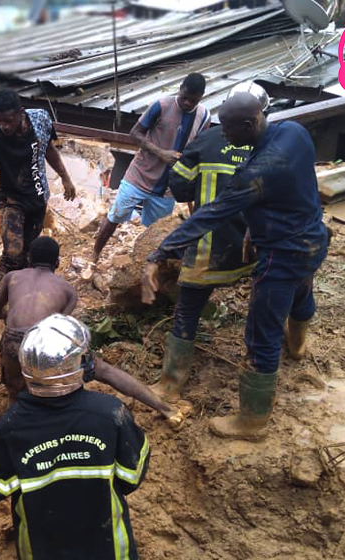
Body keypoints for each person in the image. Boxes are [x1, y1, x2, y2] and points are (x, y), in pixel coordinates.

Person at [143, 93, 329, 441]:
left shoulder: (256, 174)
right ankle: (299, 345)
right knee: (302, 291)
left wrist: (160, 253)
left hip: (280, 254)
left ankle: (252, 421)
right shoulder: (293, 131)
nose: (223, 133)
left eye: (228, 128)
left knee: (262, 334)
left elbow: (212, 213)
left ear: (249, 123)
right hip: (312, 239)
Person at [0, 314, 149, 559]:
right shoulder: (110, 414)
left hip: (43, 550)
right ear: (77, 365)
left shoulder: (11, 426)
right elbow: (132, 476)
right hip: (107, 548)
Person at [148, 83, 269, 402]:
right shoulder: (273, 146)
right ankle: (290, 350)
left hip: (208, 246)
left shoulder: (207, 141)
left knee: (187, 311)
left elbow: (181, 188)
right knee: (271, 309)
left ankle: (170, 385)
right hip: (257, 246)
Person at [0, 236, 182, 427]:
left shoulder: (12, 277)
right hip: (44, 342)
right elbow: (57, 328)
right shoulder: (67, 290)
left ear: (29, 258)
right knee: (104, 371)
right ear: (57, 262)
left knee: (15, 393)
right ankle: (167, 410)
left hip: (12, 342)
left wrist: (8, 316)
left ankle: (11, 432)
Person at [0, 89, 76, 283]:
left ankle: (23, 288)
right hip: (12, 200)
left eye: (8, 120)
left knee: (28, 253)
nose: (4, 126)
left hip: (38, 199)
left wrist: (65, 177)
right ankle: (4, 291)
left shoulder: (40, 119)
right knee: (13, 252)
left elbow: (48, 149)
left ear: (20, 112)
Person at [92, 73, 211, 262]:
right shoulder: (162, 105)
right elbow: (135, 134)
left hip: (168, 188)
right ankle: (94, 255)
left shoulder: (204, 116)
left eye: (193, 100)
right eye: (184, 97)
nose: (187, 103)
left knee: (154, 233)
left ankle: (141, 269)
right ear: (180, 88)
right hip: (139, 176)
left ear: (202, 96)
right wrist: (161, 153)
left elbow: (199, 148)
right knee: (115, 216)